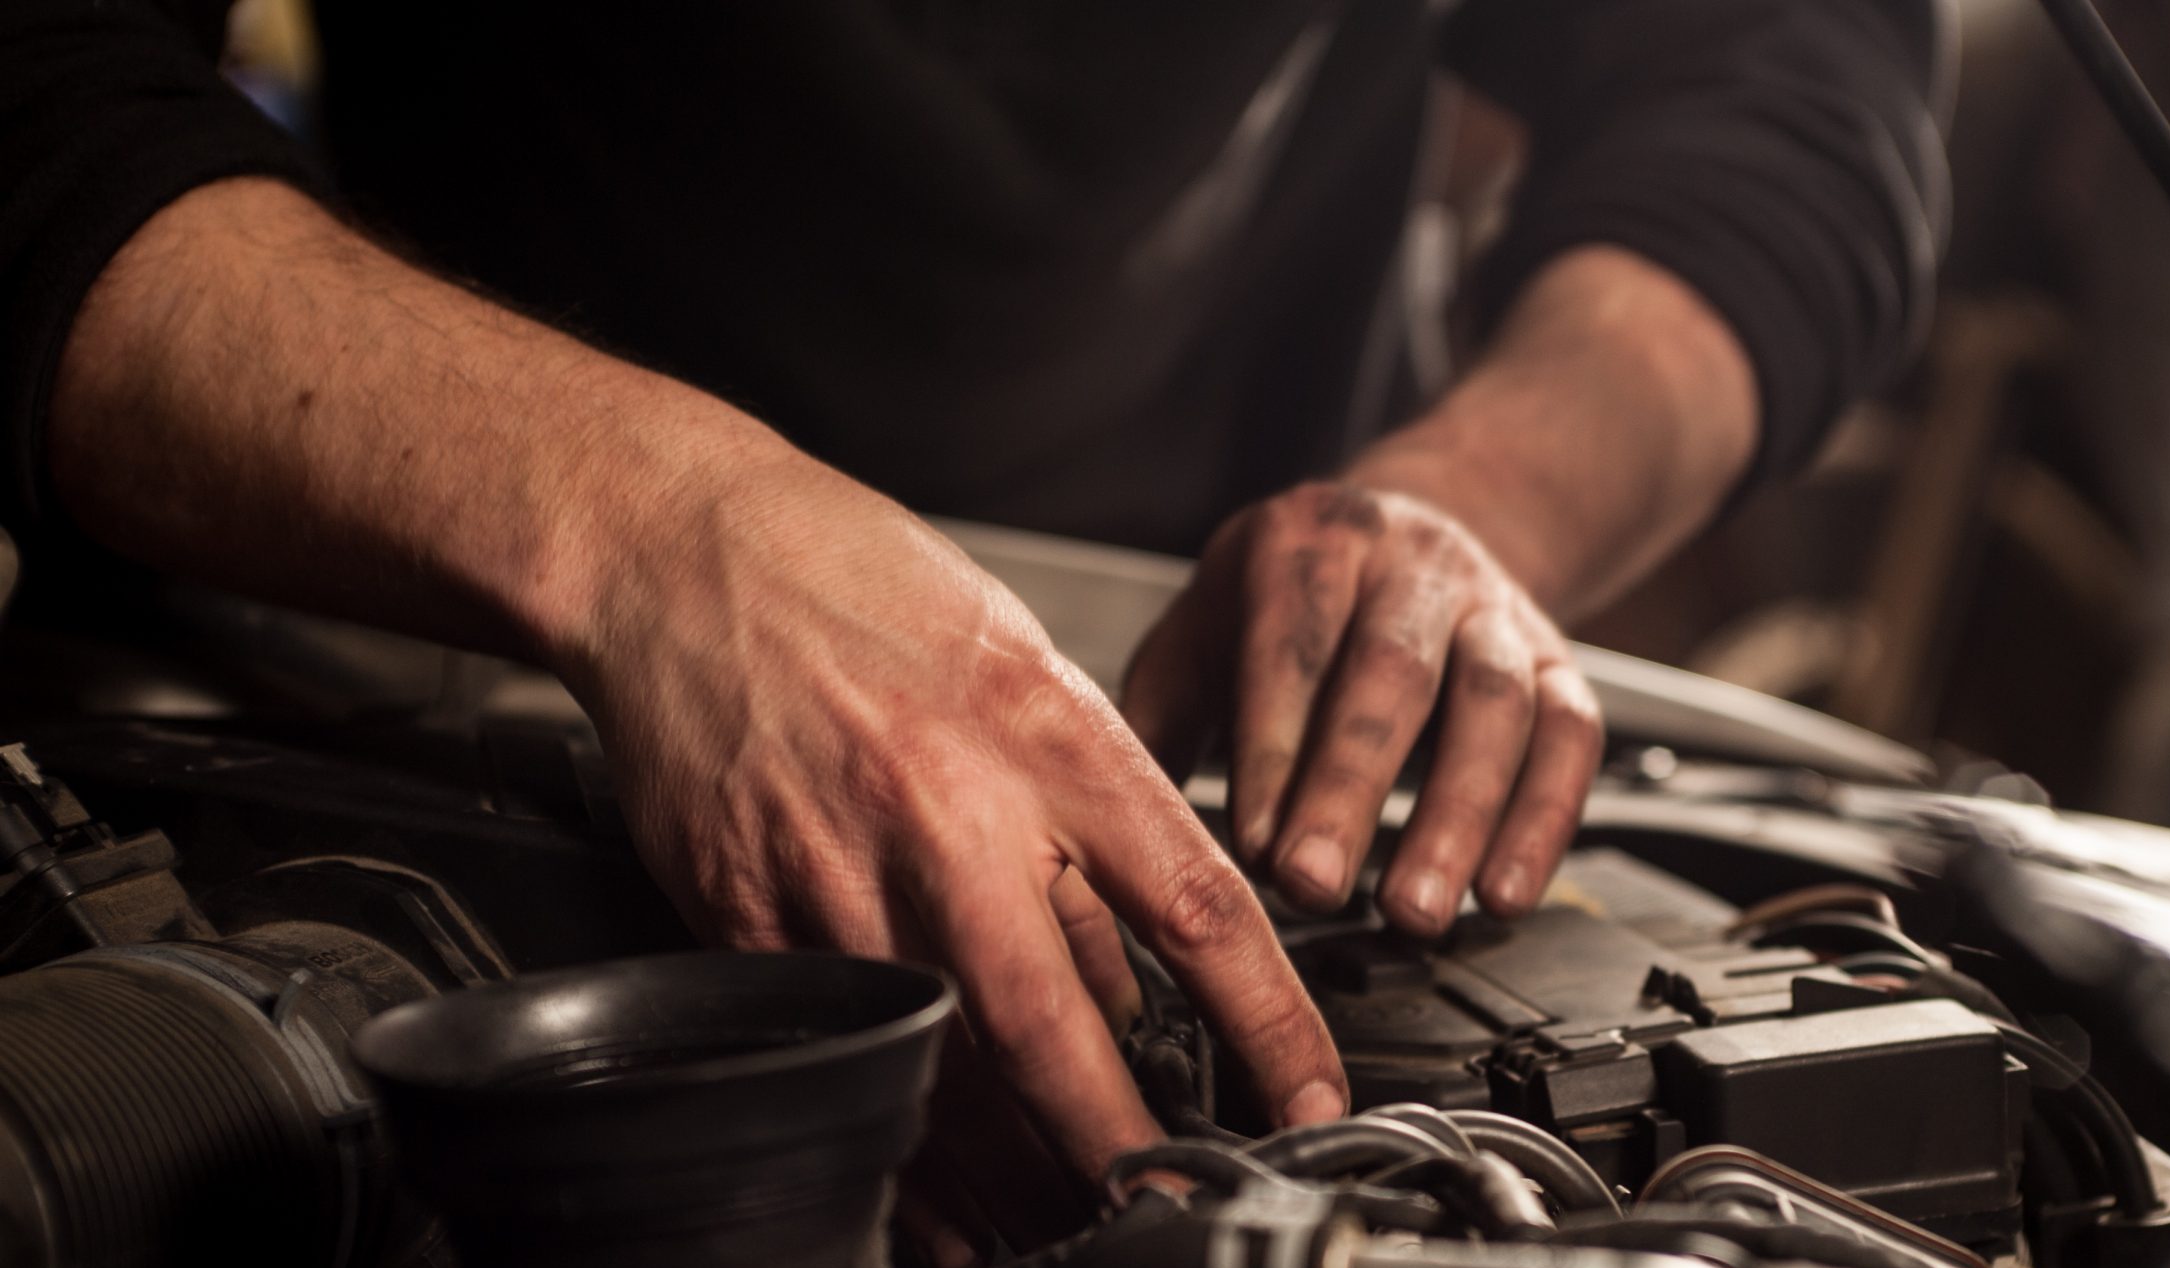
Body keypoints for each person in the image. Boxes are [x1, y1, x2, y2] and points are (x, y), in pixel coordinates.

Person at [0, 2, 1949, 1186]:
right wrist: (647, 531)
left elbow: (1777, 89)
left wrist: (1466, 500)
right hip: (414, 608)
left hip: (1205, 665)